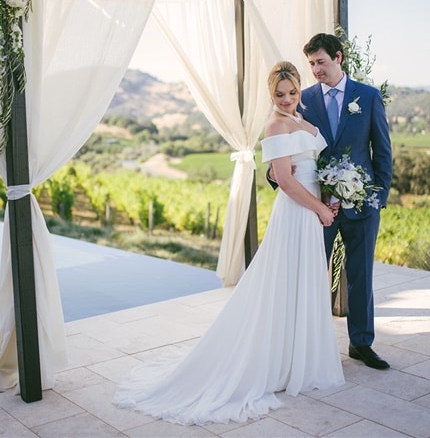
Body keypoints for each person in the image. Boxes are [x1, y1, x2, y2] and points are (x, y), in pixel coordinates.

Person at [113, 61, 344, 426]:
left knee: (302, 283)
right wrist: (319, 208)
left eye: (292, 92)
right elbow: (283, 180)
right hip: (296, 213)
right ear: (271, 96)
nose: (286, 99)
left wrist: (331, 198)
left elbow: (315, 168)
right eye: (279, 95)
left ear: (300, 89)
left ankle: (296, 357)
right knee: (281, 283)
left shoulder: (306, 122)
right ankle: (275, 361)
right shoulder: (275, 124)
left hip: (312, 210)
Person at [289, 32, 393, 370]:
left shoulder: (368, 96)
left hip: (362, 207)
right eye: (311, 64)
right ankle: (309, 346)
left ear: (338, 58)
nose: (315, 70)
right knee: (311, 275)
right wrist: (279, 178)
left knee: (360, 276)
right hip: (317, 208)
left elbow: (383, 151)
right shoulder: (301, 100)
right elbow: (285, 149)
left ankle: (361, 344)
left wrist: (378, 196)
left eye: (320, 62)